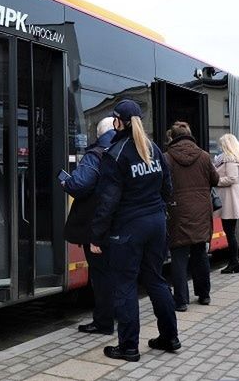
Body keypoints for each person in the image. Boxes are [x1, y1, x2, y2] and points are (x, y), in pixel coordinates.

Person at [90, 99, 179, 362]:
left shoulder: (115, 153)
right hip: (156, 223)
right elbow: (168, 189)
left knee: (125, 285)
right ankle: (170, 337)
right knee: (156, 280)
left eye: (115, 119)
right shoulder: (152, 149)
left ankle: (128, 347)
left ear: (120, 122)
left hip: (129, 228)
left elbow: (107, 201)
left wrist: (96, 236)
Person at [61, 117, 117, 335]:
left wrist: (67, 181)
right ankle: (120, 314)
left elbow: (80, 184)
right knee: (118, 272)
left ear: (99, 134)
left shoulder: (96, 154)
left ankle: (103, 321)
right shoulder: (129, 150)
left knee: (101, 275)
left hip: (97, 224)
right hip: (122, 224)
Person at [164, 122, 220, 312]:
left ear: (173, 137)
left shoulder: (167, 157)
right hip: (202, 211)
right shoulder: (204, 156)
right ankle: (204, 295)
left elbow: (163, 185)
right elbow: (216, 180)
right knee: (200, 253)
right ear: (189, 135)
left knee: (179, 256)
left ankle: (181, 301)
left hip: (177, 212)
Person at [214, 134, 239, 274]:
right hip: (230, 197)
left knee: (230, 232)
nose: (220, 146)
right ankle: (234, 262)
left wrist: (216, 181)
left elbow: (232, 178)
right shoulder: (226, 159)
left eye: (222, 144)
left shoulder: (230, 160)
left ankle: (234, 263)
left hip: (230, 199)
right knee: (230, 232)